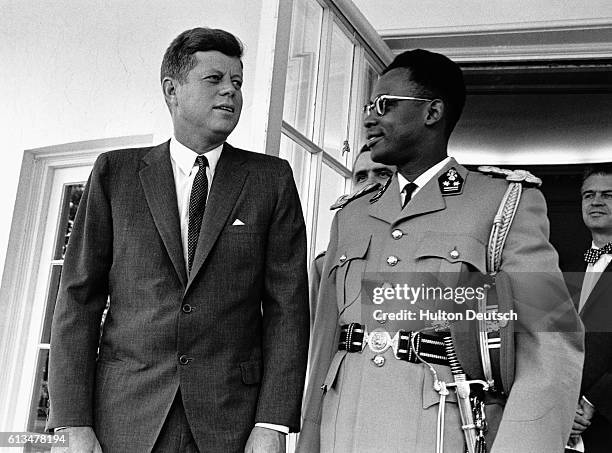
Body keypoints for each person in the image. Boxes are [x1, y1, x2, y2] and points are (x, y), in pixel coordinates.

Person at [297, 49, 584, 452]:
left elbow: (552, 341)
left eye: (385, 105)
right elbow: (326, 344)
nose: (368, 117)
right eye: (368, 106)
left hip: (442, 433)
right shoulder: (352, 215)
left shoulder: (501, 203)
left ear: (432, 112)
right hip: (343, 431)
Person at [46, 27, 309, 453]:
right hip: (124, 417)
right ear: (172, 89)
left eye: (237, 83)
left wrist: (273, 423)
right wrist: (72, 422)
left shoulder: (271, 180)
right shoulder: (116, 173)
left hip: (232, 422)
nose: (230, 92)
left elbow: (288, 309)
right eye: (215, 79)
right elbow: (78, 299)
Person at [309, 147, 395, 326]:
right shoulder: (324, 265)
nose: (370, 183)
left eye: (383, 173)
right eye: (361, 177)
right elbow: (320, 336)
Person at [568, 165, 612, 452]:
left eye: (608, 194)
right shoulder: (562, 264)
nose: (595, 201)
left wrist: (592, 400)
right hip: (561, 417)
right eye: (589, 195)